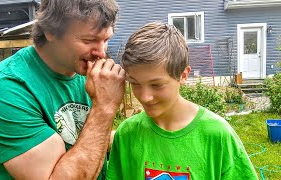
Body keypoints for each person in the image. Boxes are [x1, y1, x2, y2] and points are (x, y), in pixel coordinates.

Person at [0, 0, 125, 179]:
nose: (101, 52)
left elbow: (87, 137)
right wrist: (104, 107)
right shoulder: (2, 89)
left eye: (106, 39)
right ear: (51, 32)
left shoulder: (90, 74)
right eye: (89, 40)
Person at [107, 22, 258, 180]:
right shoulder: (126, 134)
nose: (144, 97)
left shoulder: (218, 135)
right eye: (135, 83)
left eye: (156, 85)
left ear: (183, 75)